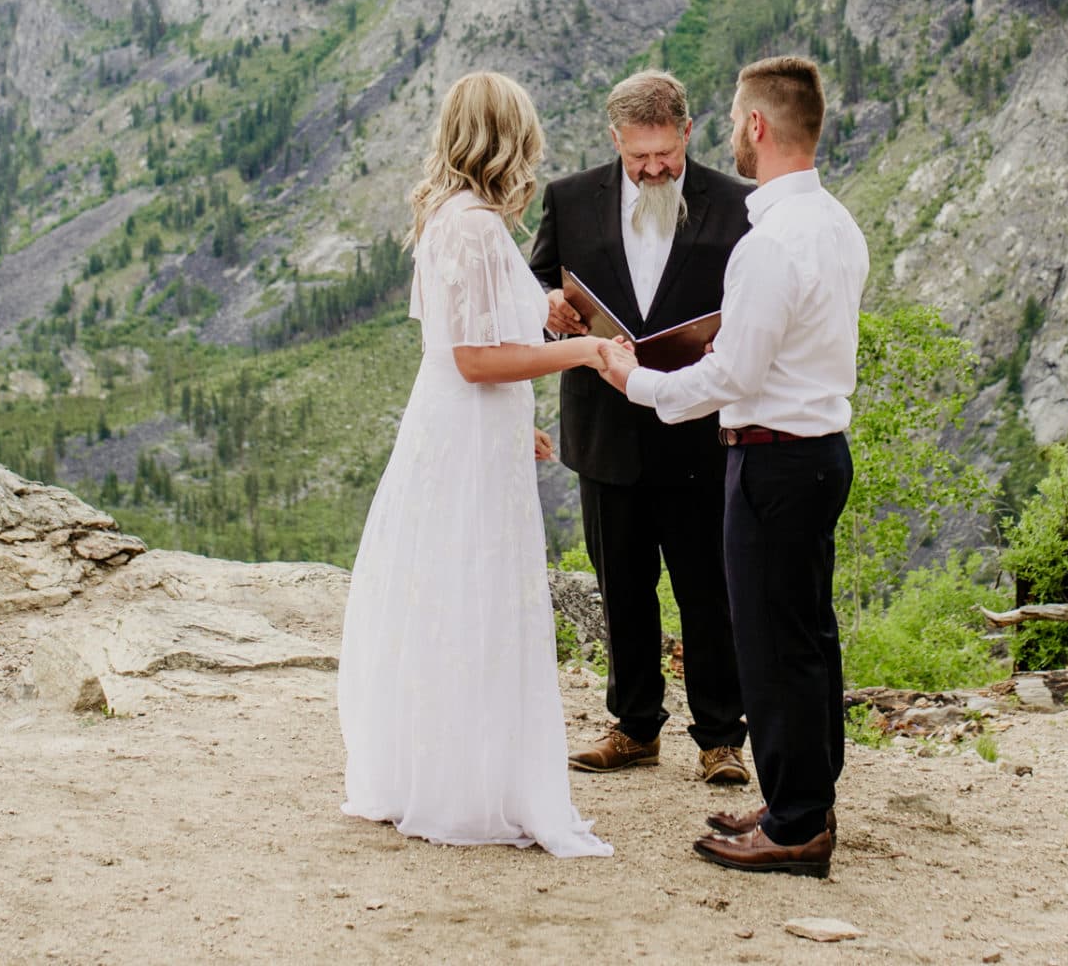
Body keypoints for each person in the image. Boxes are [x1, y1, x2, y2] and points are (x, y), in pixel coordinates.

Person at [595, 55, 867, 879]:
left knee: (772, 645)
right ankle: (805, 795)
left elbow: (732, 378)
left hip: (772, 460)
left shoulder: (769, 242)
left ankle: (794, 827)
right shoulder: (837, 223)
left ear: (756, 126)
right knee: (808, 634)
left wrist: (632, 379)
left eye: (733, 124)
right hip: (820, 452)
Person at [338, 71, 613, 858]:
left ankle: (435, 765)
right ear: (508, 140)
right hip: (467, 427)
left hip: (461, 428)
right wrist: (584, 350)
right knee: (475, 593)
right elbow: (474, 357)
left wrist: (514, 415)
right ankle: (468, 784)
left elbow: (465, 353)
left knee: (447, 589)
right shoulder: (477, 228)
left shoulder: (449, 217)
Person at [527, 70, 752, 788]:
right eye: (638, 157)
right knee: (621, 585)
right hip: (604, 430)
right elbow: (534, 283)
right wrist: (550, 311)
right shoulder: (568, 199)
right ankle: (633, 727)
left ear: (687, 131)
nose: (654, 169)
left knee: (708, 590)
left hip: (700, 430)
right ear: (615, 139)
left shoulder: (740, 205)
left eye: (665, 154)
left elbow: (759, 301)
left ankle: (721, 738)